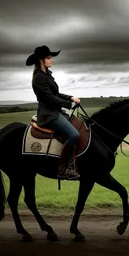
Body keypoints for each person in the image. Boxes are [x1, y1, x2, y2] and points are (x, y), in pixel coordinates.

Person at [26, 45, 81, 180]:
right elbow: (48, 98)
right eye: (49, 58)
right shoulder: (39, 77)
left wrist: (70, 97)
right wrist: (68, 104)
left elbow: (55, 93)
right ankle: (63, 168)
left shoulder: (46, 75)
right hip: (49, 115)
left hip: (56, 112)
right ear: (41, 61)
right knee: (74, 135)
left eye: (51, 58)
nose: (52, 60)